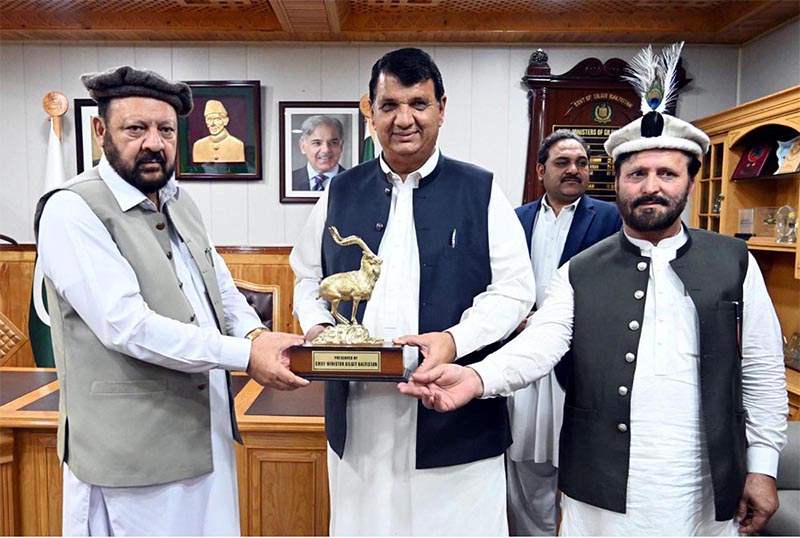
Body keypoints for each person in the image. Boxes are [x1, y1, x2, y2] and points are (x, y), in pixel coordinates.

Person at [400, 44, 788, 536]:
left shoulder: (735, 262)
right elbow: (539, 345)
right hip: (600, 496)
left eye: (667, 173)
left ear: (690, 181)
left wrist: (763, 466)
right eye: (637, 174)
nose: (652, 186)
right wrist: (476, 379)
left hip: (703, 490)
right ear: (618, 183)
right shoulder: (581, 270)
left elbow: (762, 372)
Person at [34, 65, 308, 536]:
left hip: (204, 438)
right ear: (101, 130)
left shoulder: (179, 200)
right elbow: (127, 326)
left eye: (164, 129)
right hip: (131, 460)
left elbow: (218, 287)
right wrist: (246, 355)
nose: (154, 143)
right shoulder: (72, 209)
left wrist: (256, 333)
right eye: (135, 128)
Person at [290, 47, 535, 536]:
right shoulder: (339, 191)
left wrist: (453, 341)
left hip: (453, 412)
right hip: (361, 418)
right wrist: (318, 328)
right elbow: (305, 277)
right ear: (371, 112)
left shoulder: (480, 190)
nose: (405, 119)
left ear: (442, 108)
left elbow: (515, 290)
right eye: (390, 105)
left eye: (419, 104)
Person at [506, 130, 621, 536]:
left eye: (581, 163)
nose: (574, 170)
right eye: (562, 162)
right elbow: (497, 283)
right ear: (541, 170)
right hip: (521, 356)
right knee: (524, 462)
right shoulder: (514, 219)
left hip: (579, 362)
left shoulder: (611, 219)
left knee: (575, 461)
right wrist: (514, 319)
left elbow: (618, 289)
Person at [291, 115, 346, 191]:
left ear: (341, 146)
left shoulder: (355, 182)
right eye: (317, 143)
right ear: (303, 146)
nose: (326, 150)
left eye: (333, 143)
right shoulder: (289, 181)